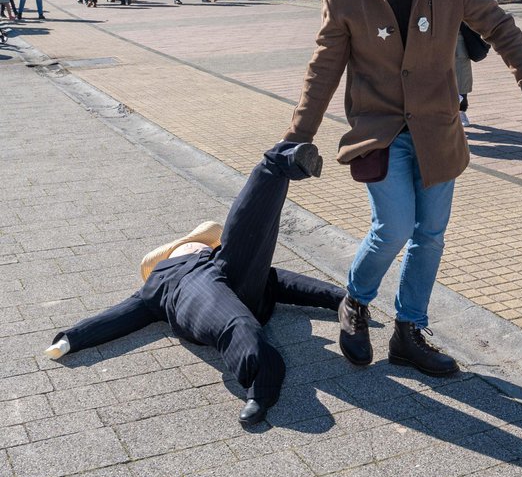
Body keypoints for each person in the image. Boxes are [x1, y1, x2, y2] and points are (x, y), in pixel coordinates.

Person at [283, 0, 522, 376]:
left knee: (430, 233)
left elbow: (498, 24)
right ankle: (356, 303)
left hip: (437, 126)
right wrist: (296, 137)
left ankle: (409, 331)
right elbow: (323, 68)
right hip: (379, 129)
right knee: (394, 228)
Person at [44, 142, 343, 427]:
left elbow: (283, 282)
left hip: (230, 277)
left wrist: (341, 299)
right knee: (236, 323)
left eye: (198, 243)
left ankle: (281, 162)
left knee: (253, 231)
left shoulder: (215, 252)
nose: (196, 244)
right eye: (192, 243)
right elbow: (121, 315)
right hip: (188, 285)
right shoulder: (158, 283)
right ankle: (260, 383)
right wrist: (72, 339)